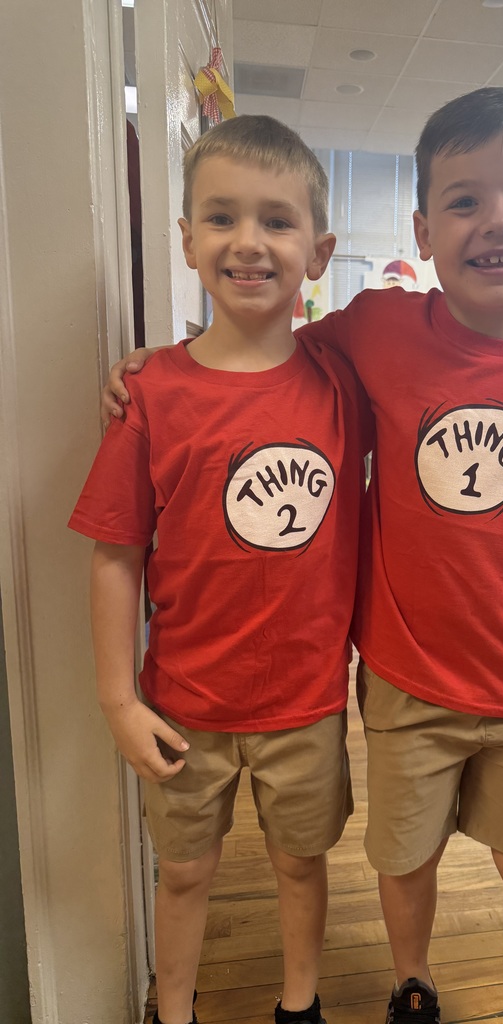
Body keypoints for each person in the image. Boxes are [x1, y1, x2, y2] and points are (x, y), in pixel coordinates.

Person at [100, 92, 503, 1024]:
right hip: (395, 683)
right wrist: (156, 365)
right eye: (464, 201)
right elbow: (258, 350)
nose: (498, 221)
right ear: (422, 230)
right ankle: (409, 984)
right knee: (399, 861)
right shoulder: (374, 332)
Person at [70, 115, 371, 1024]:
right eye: (223, 217)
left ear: (317, 252)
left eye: (277, 221)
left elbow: (461, 351)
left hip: (308, 700)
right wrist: (119, 700)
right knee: (188, 869)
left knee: (299, 863)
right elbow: (115, 554)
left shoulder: (347, 378)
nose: (249, 242)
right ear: (189, 238)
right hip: (184, 702)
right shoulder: (152, 394)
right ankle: (173, 1008)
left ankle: (300, 1004)